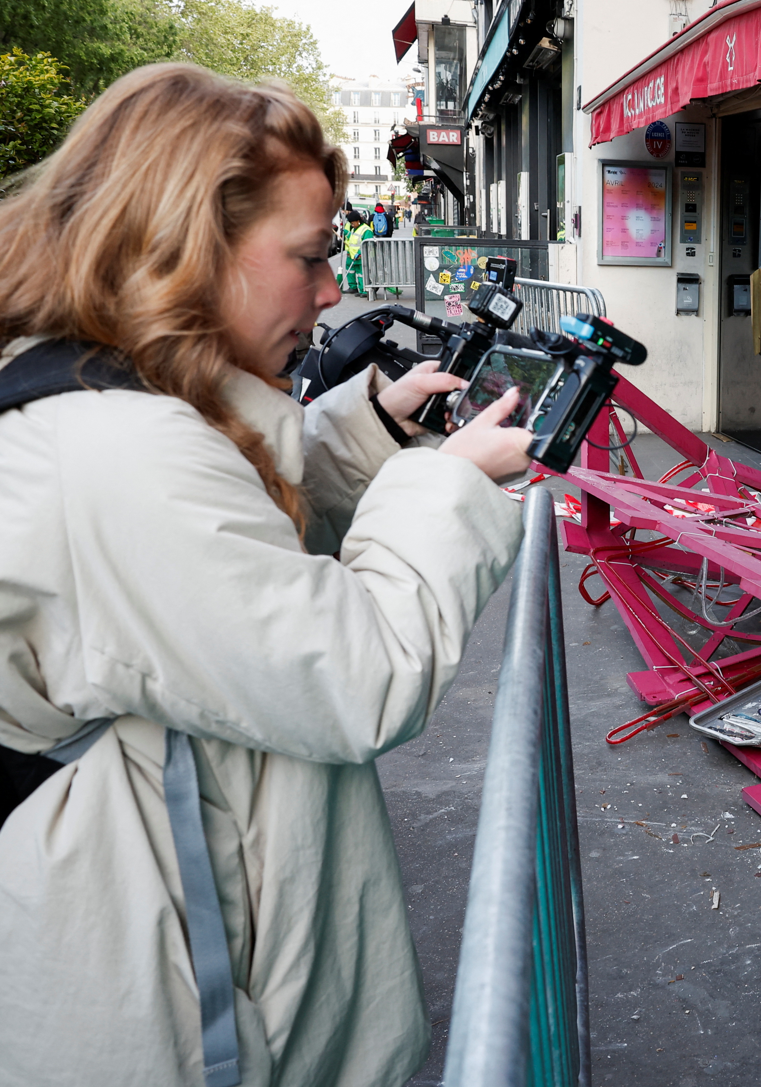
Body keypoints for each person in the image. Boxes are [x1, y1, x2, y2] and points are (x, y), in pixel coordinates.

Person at [0, 63, 535, 1087]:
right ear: (185, 249)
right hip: (174, 1004)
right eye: (310, 256)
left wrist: (369, 428)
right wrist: (449, 484)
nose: (333, 291)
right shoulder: (113, 456)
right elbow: (359, 671)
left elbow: (219, 531)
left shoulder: (95, 390)